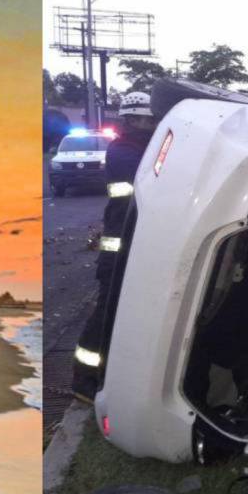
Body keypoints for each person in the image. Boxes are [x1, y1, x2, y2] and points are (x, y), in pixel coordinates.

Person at [72, 92, 158, 402]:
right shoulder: (123, 151)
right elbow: (152, 179)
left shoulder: (142, 146)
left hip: (136, 242)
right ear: (131, 119)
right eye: (147, 120)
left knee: (126, 312)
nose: (151, 125)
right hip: (119, 246)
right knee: (107, 309)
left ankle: (112, 372)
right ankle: (84, 379)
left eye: (153, 120)